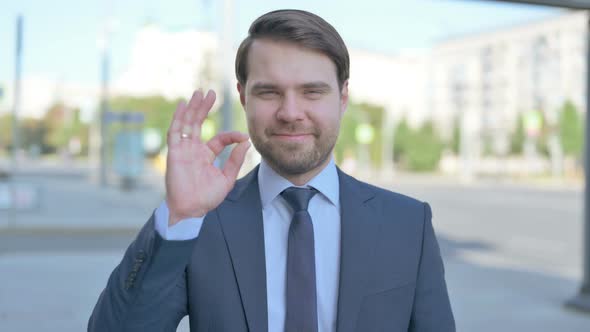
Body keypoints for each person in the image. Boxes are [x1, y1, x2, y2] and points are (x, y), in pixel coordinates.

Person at [88, 9, 455, 332]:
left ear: (342, 98)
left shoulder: (408, 224)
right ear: (244, 96)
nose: (291, 112)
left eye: (312, 92)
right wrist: (180, 216)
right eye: (269, 93)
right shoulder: (200, 222)